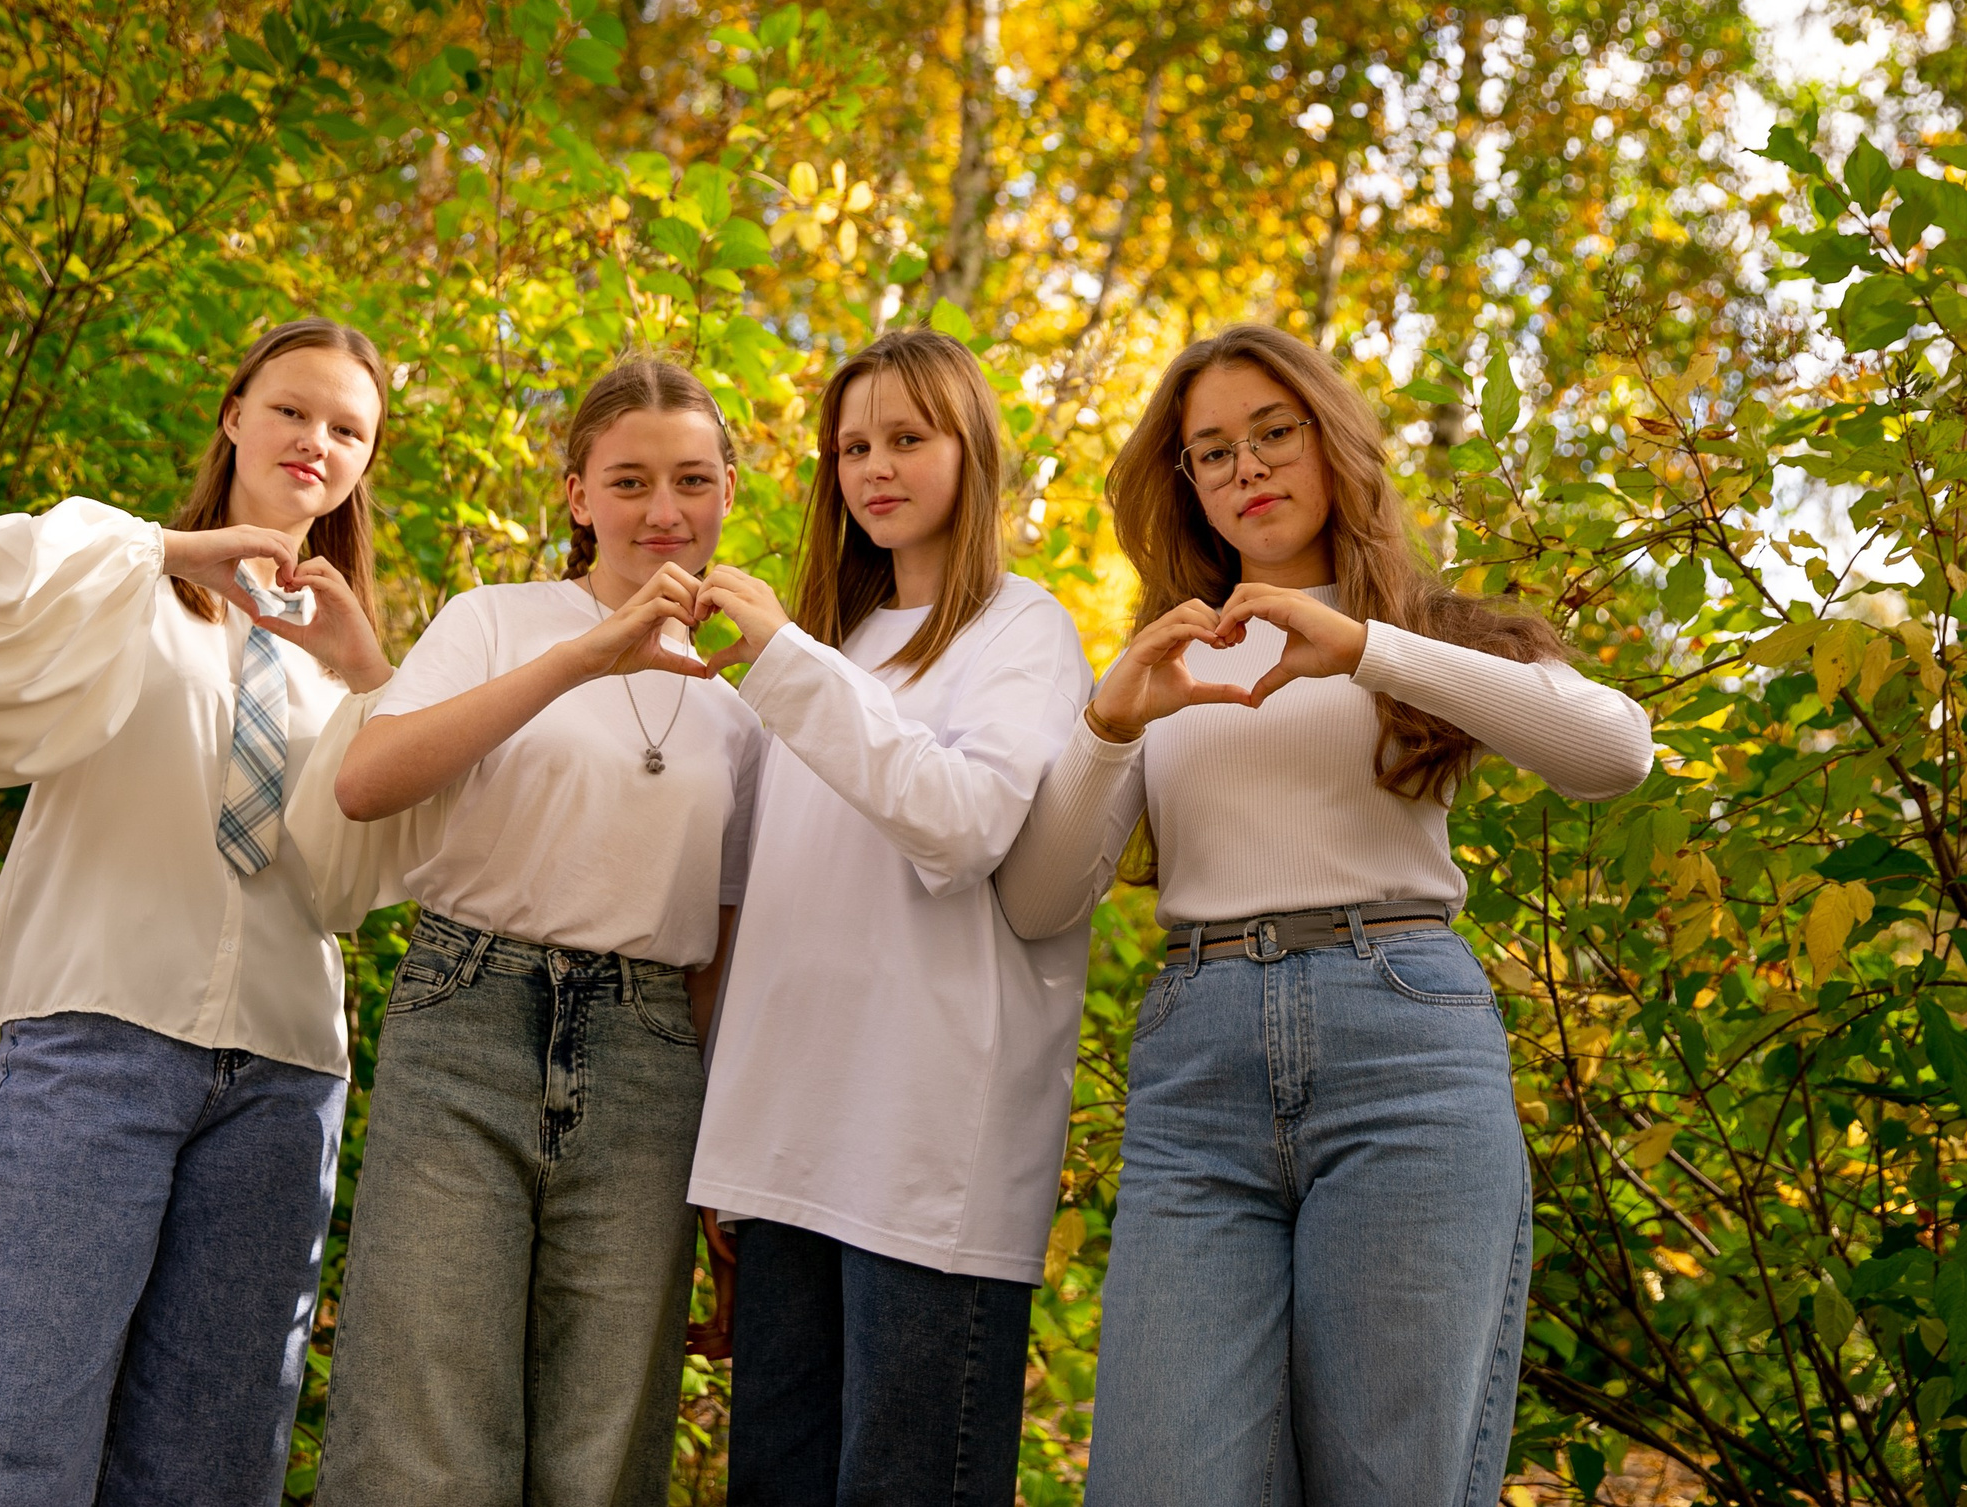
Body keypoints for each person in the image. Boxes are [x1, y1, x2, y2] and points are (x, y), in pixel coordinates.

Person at [993, 323, 1654, 1504]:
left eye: (1271, 433)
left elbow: (1613, 751)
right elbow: (1041, 898)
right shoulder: (1166, 658)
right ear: (1184, 484)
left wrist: (1363, 645)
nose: (1245, 467)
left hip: (1401, 1046)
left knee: (1390, 1481)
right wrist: (1108, 726)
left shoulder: (1422, 636)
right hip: (1197, 1074)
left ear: (1331, 442)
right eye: (1210, 451)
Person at [0, 318, 398, 1506]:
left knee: (215, 1465)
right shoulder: (121, 586)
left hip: (285, 1083)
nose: (314, 442)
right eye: (291, 409)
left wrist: (376, 673)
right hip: (101, 1039)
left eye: (347, 428)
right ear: (234, 414)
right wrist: (178, 551)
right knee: (16, 1432)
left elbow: (364, 879)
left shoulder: (341, 654)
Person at [305, 353, 765, 1507]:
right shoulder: (498, 621)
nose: (665, 513)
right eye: (629, 483)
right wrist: (582, 659)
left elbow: (725, 936)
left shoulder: (759, 684)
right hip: (469, 1019)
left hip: (651, 1053)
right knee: (423, 1436)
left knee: (602, 1450)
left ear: (725, 491)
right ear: (576, 497)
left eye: (694, 482)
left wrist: (722, 1157)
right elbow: (367, 782)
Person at [686, 326, 1094, 1507]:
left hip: (926, 1160)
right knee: (773, 1482)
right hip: (782, 1150)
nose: (874, 466)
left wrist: (784, 659)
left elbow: (965, 826)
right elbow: (756, 912)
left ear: (971, 453)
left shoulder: (1023, 629)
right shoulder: (829, 646)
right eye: (852, 445)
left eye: (908, 438)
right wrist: (725, 1139)